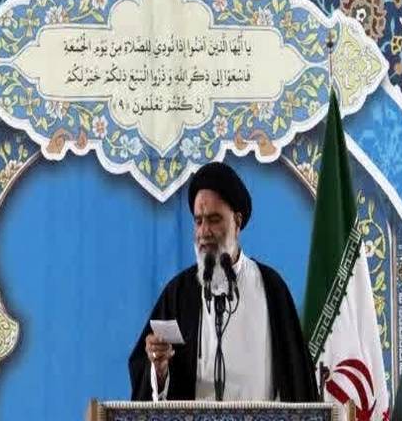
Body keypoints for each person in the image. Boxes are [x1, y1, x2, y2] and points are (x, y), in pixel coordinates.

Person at [128, 161, 317, 402]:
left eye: (214, 219)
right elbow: (149, 383)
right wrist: (160, 369)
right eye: (198, 221)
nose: (204, 232)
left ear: (237, 222)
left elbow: (297, 381)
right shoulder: (179, 293)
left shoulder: (271, 288)